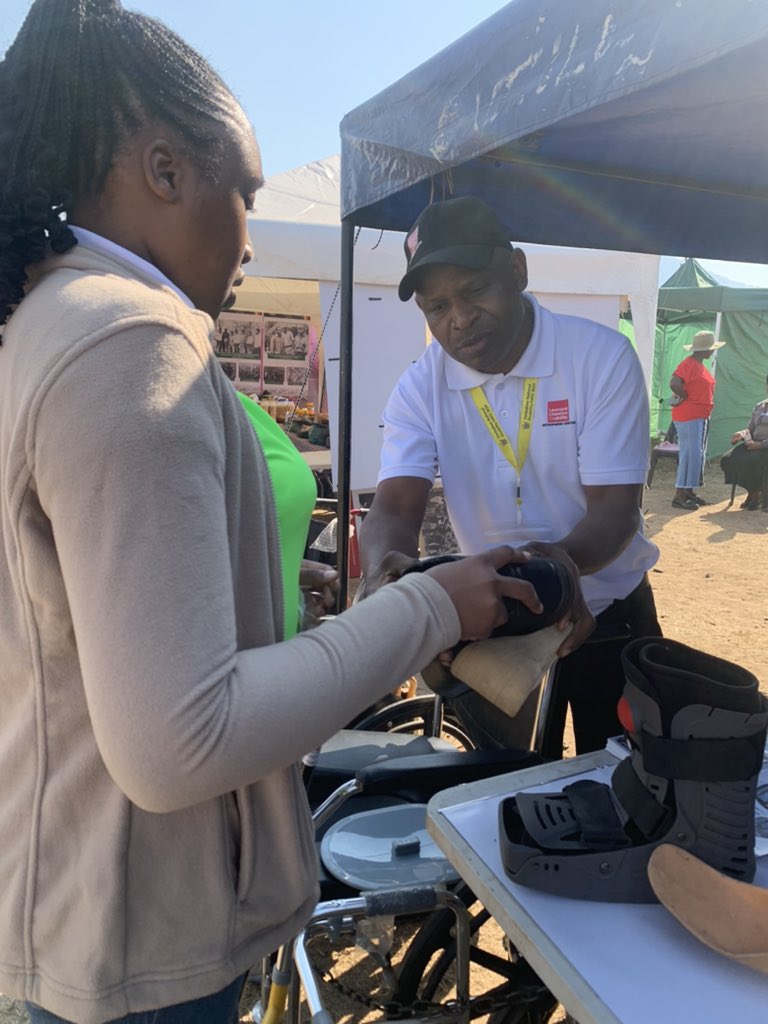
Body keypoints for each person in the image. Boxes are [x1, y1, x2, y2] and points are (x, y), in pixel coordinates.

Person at [0, 6, 547, 1024]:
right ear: (165, 170)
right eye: (244, 194)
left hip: (83, 909)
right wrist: (431, 607)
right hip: (144, 947)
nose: (249, 236)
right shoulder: (129, 339)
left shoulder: (42, 322)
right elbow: (179, 741)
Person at [358, 196, 662, 757]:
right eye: (436, 307)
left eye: (475, 290)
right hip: (493, 618)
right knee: (497, 787)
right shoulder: (420, 386)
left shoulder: (599, 358)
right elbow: (395, 508)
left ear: (517, 270)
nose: (459, 318)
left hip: (608, 614)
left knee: (624, 781)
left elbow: (615, 512)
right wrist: (386, 577)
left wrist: (559, 568)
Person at [669, 329, 725, 510]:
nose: (713, 351)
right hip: (689, 416)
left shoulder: (698, 364)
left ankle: (688, 492)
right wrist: (686, 396)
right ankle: (679, 496)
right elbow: (674, 383)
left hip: (698, 415)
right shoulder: (689, 364)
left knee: (696, 454)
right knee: (689, 454)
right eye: (711, 348)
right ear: (704, 349)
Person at [720, 372, 768, 510]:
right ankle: (752, 491)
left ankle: (757, 494)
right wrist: (741, 435)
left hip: (765, 446)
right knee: (727, 459)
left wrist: (761, 445)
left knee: (751, 462)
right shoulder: (760, 406)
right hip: (753, 443)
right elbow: (750, 429)